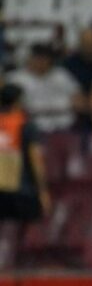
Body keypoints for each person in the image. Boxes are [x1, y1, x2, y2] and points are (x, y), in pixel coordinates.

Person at [0, 83, 51, 259]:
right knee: (25, 231)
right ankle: (19, 262)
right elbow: (35, 159)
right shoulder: (26, 125)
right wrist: (43, 190)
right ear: (18, 101)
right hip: (22, 189)